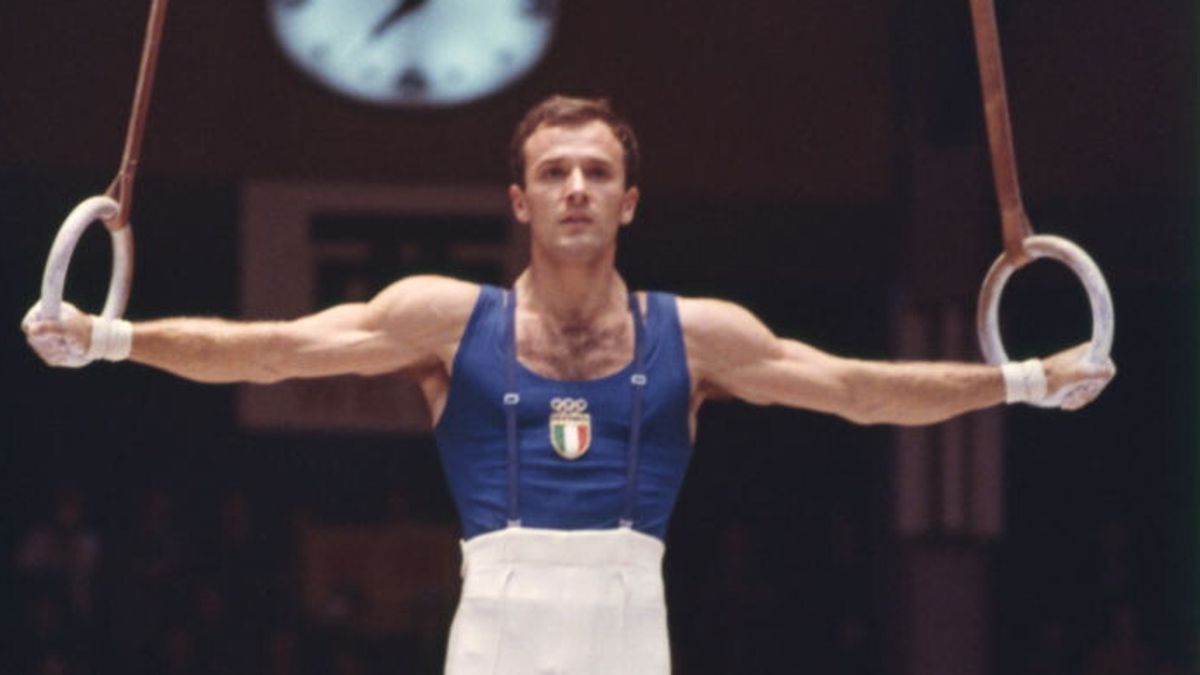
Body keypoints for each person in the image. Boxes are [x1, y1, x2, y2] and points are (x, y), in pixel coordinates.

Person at [23, 95, 1115, 674]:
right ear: (520, 200)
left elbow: (860, 390)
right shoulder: (445, 320)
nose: (577, 188)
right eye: (554, 172)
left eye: (598, 172)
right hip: (498, 626)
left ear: (631, 200)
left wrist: (1025, 379)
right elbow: (270, 350)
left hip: (633, 629)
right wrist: (111, 338)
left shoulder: (699, 334)